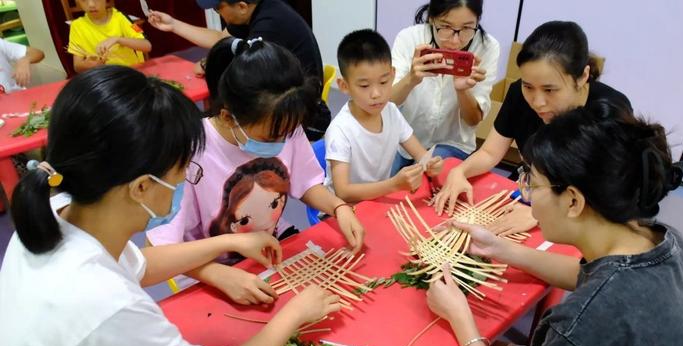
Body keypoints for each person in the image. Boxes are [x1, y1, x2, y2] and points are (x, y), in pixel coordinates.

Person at [0, 65, 339, 346]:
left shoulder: (56, 210)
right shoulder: (103, 305)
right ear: (141, 187)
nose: (185, 182)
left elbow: (139, 263)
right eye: (182, 174)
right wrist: (294, 314)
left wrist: (229, 240)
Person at [424, 101, 683, 346]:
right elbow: (587, 277)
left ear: (572, 200)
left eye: (532, 183)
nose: (526, 196)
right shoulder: (661, 240)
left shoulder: (589, 318)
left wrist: (461, 318)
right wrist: (501, 249)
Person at [147, 38, 365, 306]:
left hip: (269, 250)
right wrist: (217, 274)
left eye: (289, 133)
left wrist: (338, 206)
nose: (282, 144)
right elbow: (157, 253)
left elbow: (305, 182)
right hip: (207, 269)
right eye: (272, 136)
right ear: (228, 117)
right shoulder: (188, 153)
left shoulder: (283, 122)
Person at [433, 20, 631, 236]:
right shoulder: (519, 93)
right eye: (529, 86)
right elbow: (490, 152)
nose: (537, 102)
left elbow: (605, 190)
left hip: (583, 209)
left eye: (550, 90)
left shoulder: (609, 111)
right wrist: (459, 171)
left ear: (583, 77)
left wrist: (540, 212)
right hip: (533, 188)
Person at [147, 0, 330, 140]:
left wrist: (206, 63)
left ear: (241, 6)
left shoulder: (269, 24)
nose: (218, 13)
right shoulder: (256, 8)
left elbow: (241, 68)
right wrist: (173, 24)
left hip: (302, 115)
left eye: (219, 8)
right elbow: (221, 38)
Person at [324, 29, 444, 203]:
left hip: (375, 201)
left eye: (383, 82)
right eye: (364, 86)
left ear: (393, 75)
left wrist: (431, 163)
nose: (376, 93)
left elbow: (420, 154)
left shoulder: (391, 111)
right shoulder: (340, 130)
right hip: (340, 209)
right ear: (344, 86)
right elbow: (343, 192)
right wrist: (393, 184)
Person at [390, 0, 500, 168]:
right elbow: (389, 101)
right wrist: (410, 79)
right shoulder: (410, 38)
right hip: (407, 139)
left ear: (477, 20)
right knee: (390, 185)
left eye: (466, 28)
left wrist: (462, 91)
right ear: (432, 18)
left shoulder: (487, 47)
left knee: (427, 179)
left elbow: (473, 120)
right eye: (446, 27)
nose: (455, 41)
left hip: (454, 143)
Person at [67, 0, 152, 73]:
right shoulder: (76, 26)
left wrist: (118, 39)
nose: (91, 4)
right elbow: (77, 66)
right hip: (102, 77)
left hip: (129, 72)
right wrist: (90, 65)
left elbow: (147, 45)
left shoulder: (120, 17)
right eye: (84, 0)